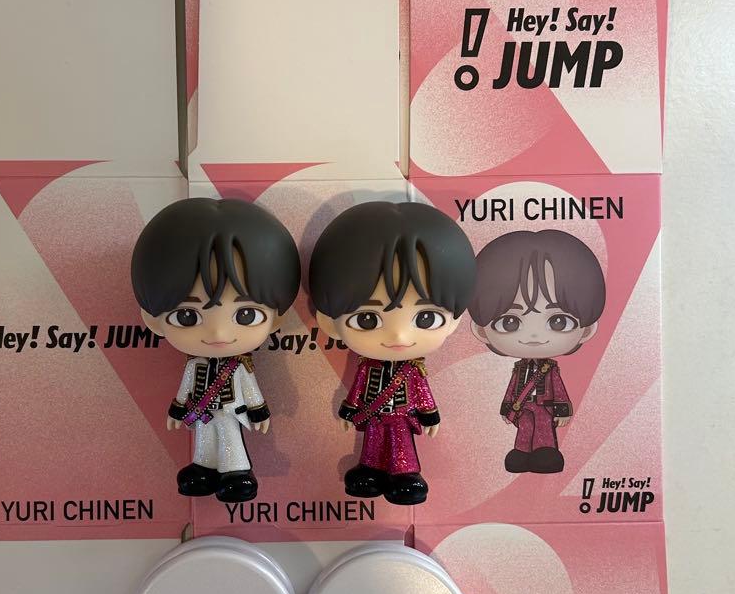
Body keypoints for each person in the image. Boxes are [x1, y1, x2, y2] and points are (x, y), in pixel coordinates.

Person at [131, 198, 300, 503]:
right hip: (201, 409)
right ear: (153, 320)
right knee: (204, 441)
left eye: (245, 315)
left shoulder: (239, 366)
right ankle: (203, 468)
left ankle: (236, 473)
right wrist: (177, 409)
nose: (218, 333)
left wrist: (258, 411)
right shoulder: (195, 365)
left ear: (277, 318)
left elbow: (250, 389)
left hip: (230, 410)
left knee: (230, 437)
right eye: (187, 316)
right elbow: (185, 387)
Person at [309, 201, 476, 505]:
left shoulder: (412, 370)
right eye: (367, 319)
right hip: (374, 416)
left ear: (454, 320)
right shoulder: (368, 366)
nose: (398, 336)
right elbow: (359, 389)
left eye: (426, 318)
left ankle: (405, 476)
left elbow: (422, 392)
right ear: (329, 322)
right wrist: (349, 410)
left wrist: (429, 415)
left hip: (400, 416)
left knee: (401, 447)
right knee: (372, 445)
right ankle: (370, 471)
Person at [469, 229, 606, 474]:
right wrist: (507, 407)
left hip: (544, 406)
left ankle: (545, 453)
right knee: (524, 430)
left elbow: (558, 389)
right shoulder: (519, 368)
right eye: (509, 322)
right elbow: (513, 387)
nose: (534, 336)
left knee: (543, 429)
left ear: (586, 330)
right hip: (522, 407)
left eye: (559, 321)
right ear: (482, 331)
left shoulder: (549, 369)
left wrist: (562, 409)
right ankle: (521, 453)